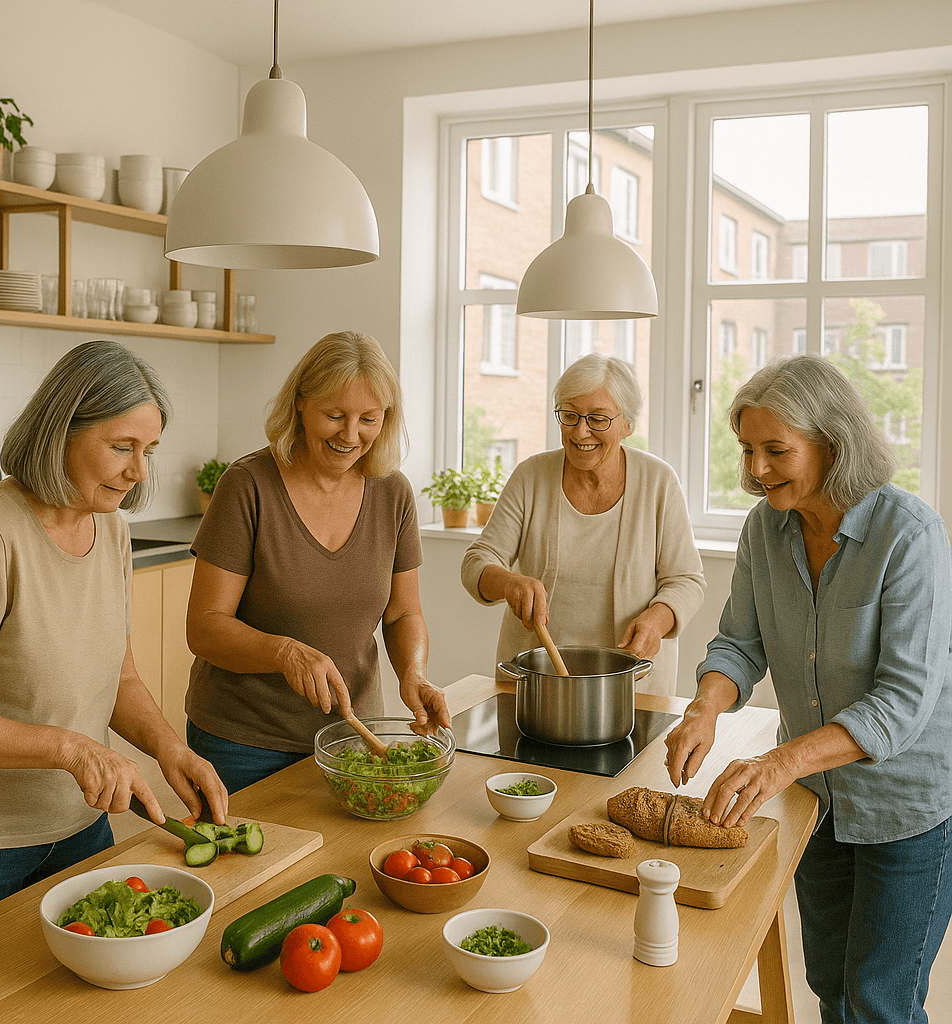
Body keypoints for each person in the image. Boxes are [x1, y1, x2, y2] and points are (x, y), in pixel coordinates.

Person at [664, 354, 952, 1024]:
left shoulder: (909, 534)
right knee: (829, 983)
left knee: (879, 1002)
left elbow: (902, 702)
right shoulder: (764, 529)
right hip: (817, 801)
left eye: (776, 450)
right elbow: (740, 643)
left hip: (906, 807)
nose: (756, 470)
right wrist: (704, 708)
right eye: (747, 450)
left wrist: (779, 762)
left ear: (833, 443)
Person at [0, 340, 228, 935]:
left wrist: (170, 749)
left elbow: (120, 679)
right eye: (122, 447)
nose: (139, 472)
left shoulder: (111, 529)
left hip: (81, 830)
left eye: (148, 451)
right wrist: (72, 749)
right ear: (61, 430)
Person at [184, 330, 451, 793]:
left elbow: (403, 613)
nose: (351, 435)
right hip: (243, 744)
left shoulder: (393, 492)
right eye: (335, 415)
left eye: (368, 419)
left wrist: (414, 674)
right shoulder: (247, 486)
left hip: (354, 738)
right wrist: (283, 653)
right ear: (301, 404)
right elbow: (204, 627)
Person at [461, 352, 706, 695]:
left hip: (633, 686)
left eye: (597, 419)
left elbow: (687, 580)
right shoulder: (531, 476)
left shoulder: (658, 482)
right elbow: (477, 562)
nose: (580, 431)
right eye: (570, 415)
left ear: (627, 424)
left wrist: (659, 617)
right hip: (537, 684)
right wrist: (509, 582)